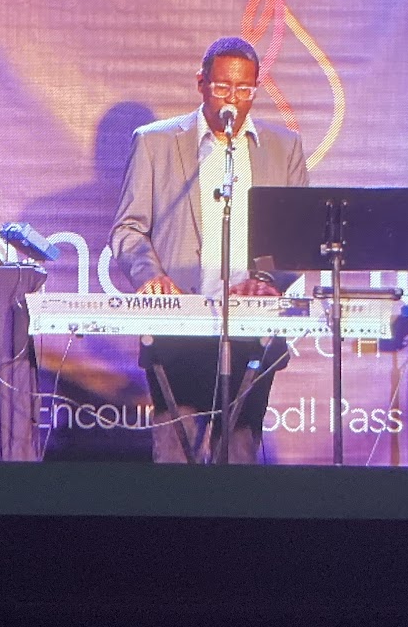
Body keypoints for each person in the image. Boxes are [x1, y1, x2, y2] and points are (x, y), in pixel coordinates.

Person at [110, 37, 309, 463]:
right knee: (173, 451)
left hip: (252, 328)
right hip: (178, 326)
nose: (232, 100)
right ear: (201, 83)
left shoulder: (284, 147)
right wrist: (150, 276)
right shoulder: (155, 143)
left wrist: (266, 280)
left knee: (238, 451)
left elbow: (298, 238)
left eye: (244, 89)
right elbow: (128, 229)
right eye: (222, 87)